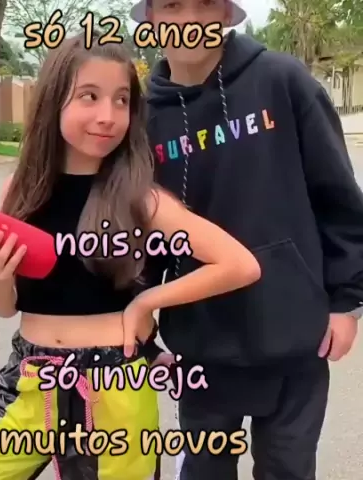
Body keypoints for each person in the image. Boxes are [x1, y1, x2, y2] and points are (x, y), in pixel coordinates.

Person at [0, 32, 261, 480]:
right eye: (89, 96)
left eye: (121, 100)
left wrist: (146, 303)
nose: (108, 116)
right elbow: (7, 307)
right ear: (54, 101)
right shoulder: (21, 192)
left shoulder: (141, 200)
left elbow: (240, 264)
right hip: (31, 384)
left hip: (115, 392)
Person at [130, 0, 363, 479]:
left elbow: (337, 196)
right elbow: (142, 238)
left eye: (204, 4)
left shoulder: (283, 81)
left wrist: (347, 301)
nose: (189, 20)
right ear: (151, 18)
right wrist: (142, 330)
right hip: (201, 347)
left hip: (294, 336)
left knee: (288, 470)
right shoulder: (143, 119)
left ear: (224, 14)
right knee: (205, 469)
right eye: (172, 5)